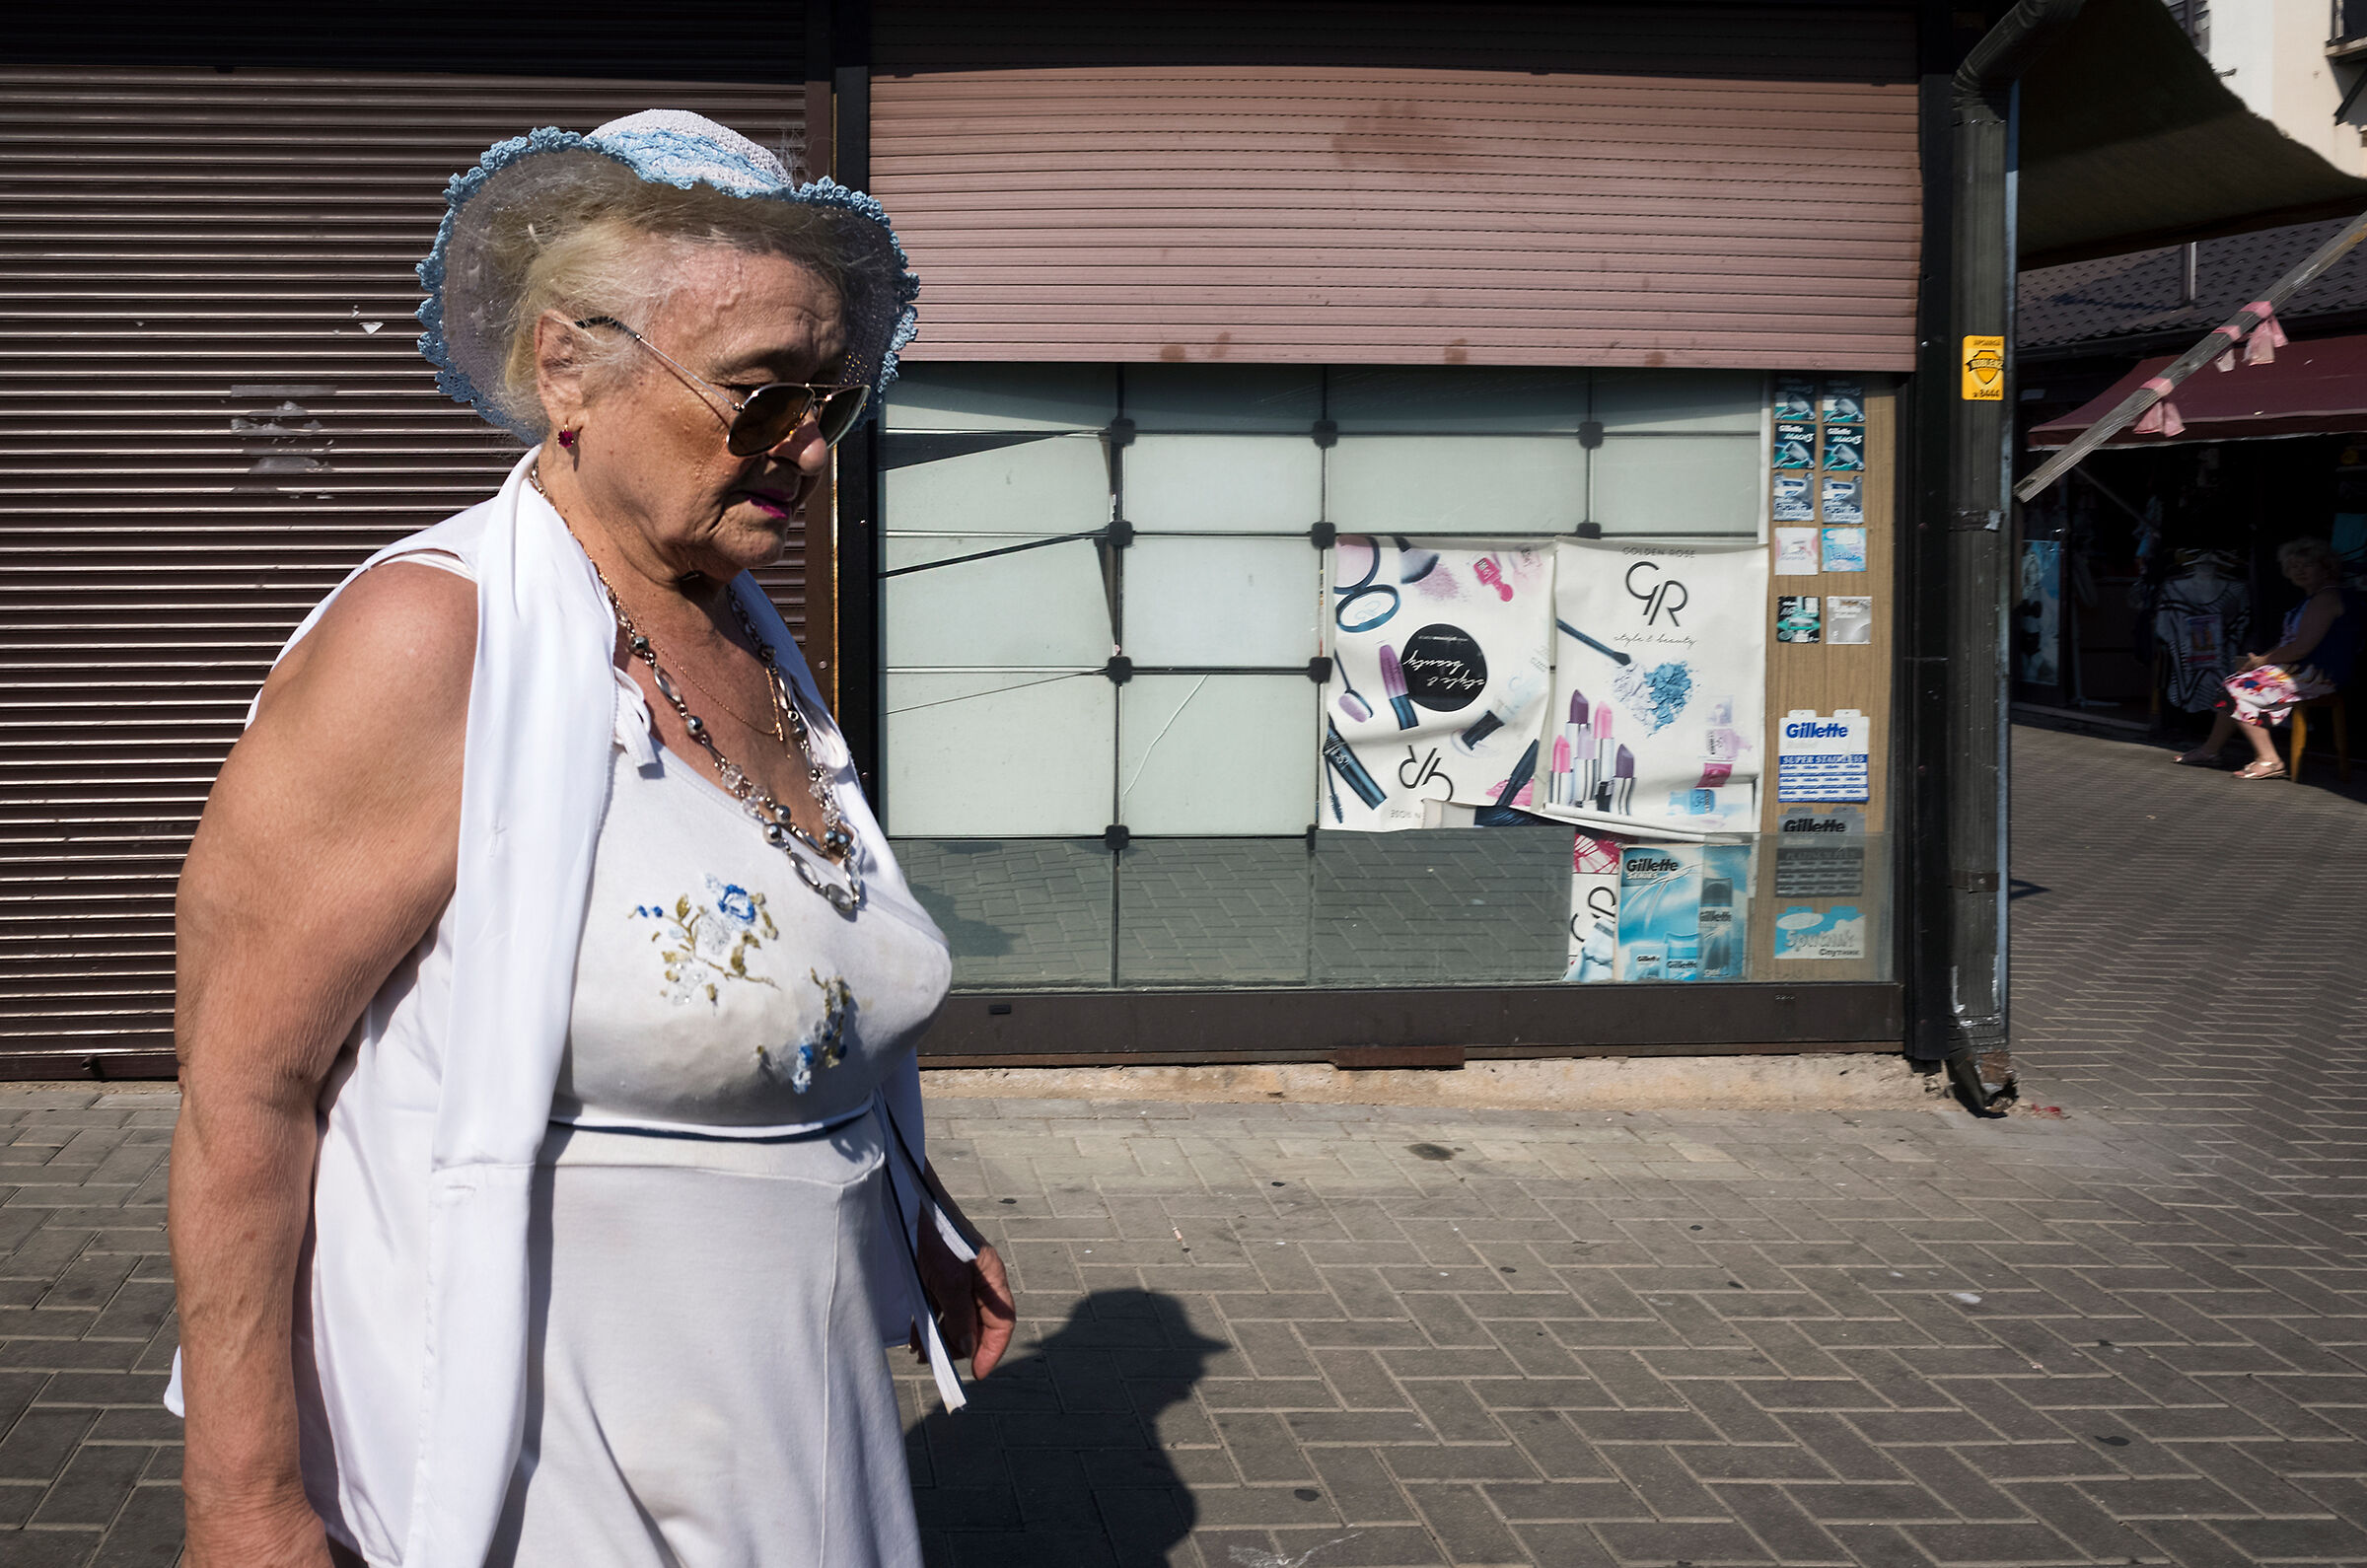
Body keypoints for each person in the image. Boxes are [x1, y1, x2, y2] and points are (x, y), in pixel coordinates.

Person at [168, 111, 1013, 1568]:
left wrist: (906, 1212)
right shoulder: (434, 644)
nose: (804, 448)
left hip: (791, 1415)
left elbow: (808, 965)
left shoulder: (737, 626)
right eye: (759, 397)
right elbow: (248, 1093)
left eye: (833, 399)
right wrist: (243, 1502)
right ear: (568, 367)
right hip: (552, 1447)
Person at [2175, 536, 2362, 779]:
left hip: (2317, 674)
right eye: (2293, 567)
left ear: (2326, 567)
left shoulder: (2327, 599)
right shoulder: (2313, 599)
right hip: (2299, 669)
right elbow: (2291, 644)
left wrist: (2261, 661)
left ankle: (2270, 760)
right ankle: (2210, 750)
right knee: (2235, 680)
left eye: (2307, 565)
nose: (2299, 571)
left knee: (2237, 688)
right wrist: (2259, 660)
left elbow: (2301, 648)